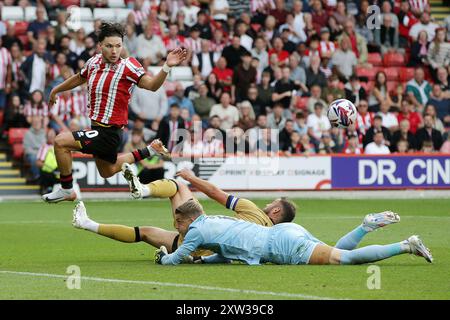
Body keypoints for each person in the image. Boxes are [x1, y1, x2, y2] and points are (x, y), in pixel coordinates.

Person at [73, 166, 430, 267]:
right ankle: (365, 227)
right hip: (285, 239)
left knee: (156, 222)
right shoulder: (258, 221)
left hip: (272, 244)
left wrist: (189, 176)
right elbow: (225, 254)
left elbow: (215, 195)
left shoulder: (249, 211)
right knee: (339, 252)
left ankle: (404, 244)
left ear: (274, 210)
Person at [42, 22, 187, 203]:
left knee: (60, 142)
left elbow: (152, 85)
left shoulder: (128, 66)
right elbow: (79, 78)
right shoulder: (93, 62)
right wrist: (56, 89)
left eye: (118, 46)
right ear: (100, 46)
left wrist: (166, 66)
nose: (114, 51)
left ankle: (66, 189)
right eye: (109, 46)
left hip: (109, 132)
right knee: (107, 171)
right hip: (98, 128)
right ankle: (150, 149)